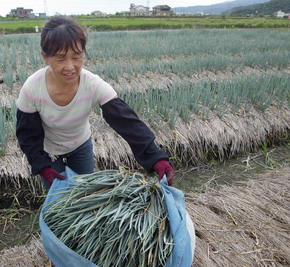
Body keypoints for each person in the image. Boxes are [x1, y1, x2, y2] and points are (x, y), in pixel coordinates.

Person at [16, 16, 174, 191]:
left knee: (86, 194)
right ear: (45, 57)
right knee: (58, 203)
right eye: (61, 59)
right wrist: (43, 166)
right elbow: (27, 135)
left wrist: (156, 158)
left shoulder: (92, 84)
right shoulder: (32, 88)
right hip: (49, 152)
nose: (70, 67)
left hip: (80, 145)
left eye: (76, 57)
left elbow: (127, 121)